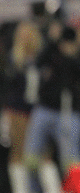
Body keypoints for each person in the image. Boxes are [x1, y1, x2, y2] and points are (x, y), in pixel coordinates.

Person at [23, 16, 80, 192]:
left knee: (71, 162)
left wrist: (76, 51)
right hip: (44, 108)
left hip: (70, 112)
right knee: (31, 159)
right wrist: (53, 42)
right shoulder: (52, 51)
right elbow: (37, 64)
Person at [4, 20, 48, 193]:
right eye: (22, 34)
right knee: (19, 150)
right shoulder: (14, 58)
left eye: (28, 33)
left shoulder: (41, 57)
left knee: (41, 153)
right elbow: (9, 86)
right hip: (18, 109)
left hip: (40, 110)